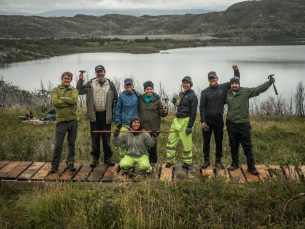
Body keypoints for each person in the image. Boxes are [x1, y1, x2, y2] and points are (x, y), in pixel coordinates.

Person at [226, 75, 275, 175]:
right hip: (231, 124)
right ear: (230, 85)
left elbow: (258, 89)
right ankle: (234, 164)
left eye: (236, 83)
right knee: (233, 145)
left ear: (239, 84)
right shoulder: (227, 94)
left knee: (247, 146)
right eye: (232, 83)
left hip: (243, 124)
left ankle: (251, 167)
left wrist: (269, 82)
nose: (234, 85)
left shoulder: (245, 92)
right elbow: (216, 101)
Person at [77, 65, 118, 167]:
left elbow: (116, 100)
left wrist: (115, 115)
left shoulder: (111, 84)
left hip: (106, 115)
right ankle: (95, 159)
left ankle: (107, 159)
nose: (100, 74)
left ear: (105, 72)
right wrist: (81, 79)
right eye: (98, 72)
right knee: (95, 137)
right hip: (94, 115)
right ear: (96, 73)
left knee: (106, 138)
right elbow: (79, 91)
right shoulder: (91, 83)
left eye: (101, 72)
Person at [200, 66, 240, 169]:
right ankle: (206, 161)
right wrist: (202, 121)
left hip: (218, 120)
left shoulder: (223, 87)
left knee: (219, 141)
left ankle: (218, 161)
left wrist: (236, 70)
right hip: (207, 121)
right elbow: (202, 107)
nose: (212, 80)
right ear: (208, 80)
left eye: (213, 78)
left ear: (217, 78)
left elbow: (236, 79)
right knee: (206, 141)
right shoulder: (204, 92)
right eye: (210, 78)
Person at [165, 76, 198, 169]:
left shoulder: (193, 96)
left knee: (186, 144)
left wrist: (190, 126)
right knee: (171, 141)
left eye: (187, 83)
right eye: (184, 83)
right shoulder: (181, 94)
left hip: (186, 121)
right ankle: (170, 161)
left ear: (190, 84)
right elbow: (180, 105)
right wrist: (175, 103)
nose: (185, 84)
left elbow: (194, 113)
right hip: (176, 120)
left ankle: (187, 162)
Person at [50, 71, 78, 173]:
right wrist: (68, 101)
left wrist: (61, 98)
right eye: (65, 78)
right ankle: (54, 166)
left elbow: (74, 100)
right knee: (58, 145)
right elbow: (55, 102)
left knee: (71, 144)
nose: (66, 80)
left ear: (71, 80)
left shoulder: (74, 90)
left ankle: (70, 164)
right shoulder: (55, 90)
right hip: (61, 122)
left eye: (68, 79)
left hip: (73, 121)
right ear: (62, 79)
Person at [138, 81, 168, 165]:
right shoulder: (140, 99)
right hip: (143, 127)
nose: (149, 91)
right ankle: (143, 163)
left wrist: (165, 111)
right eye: (147, 89)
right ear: (144, 90)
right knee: (143, 147)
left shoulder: (157, 100)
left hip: (154, 128)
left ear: (153, 89)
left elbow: (161, 113)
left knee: (152, 147)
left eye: (151, 89)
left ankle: (153, 164)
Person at [114, 78, 140, 159]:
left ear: (133, 86)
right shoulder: (121, 96)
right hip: (124, 124)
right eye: (127, 85)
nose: (129, 86)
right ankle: (123, 160)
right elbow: (117, 109)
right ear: (125, 86)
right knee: (122, 143)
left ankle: (134, 161)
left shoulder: (138, 95)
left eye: (130, 85)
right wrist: (118, 122)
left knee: (135, 143)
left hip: (135, 124)